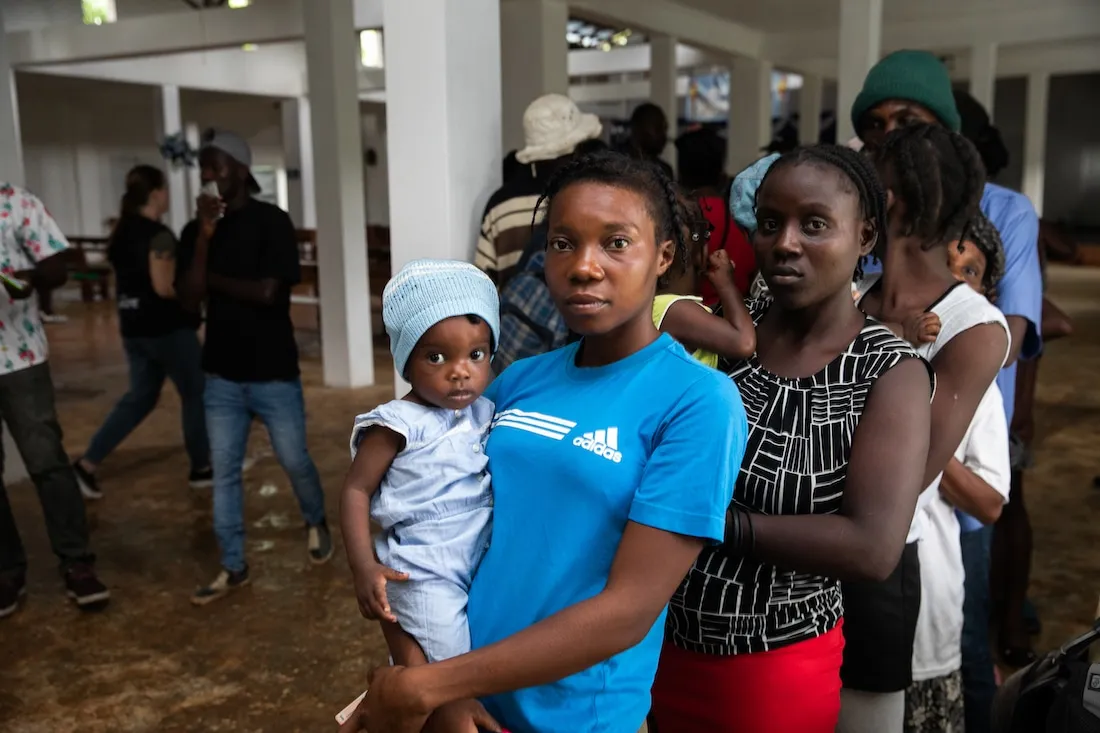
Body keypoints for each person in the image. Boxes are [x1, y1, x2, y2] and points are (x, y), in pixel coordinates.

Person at [339, 150, 746, 733]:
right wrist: (429, 682)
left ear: (663, 255)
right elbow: (411, 528)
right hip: (461, 697)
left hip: (575, 715)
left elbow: (627, 611)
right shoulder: (518, 381)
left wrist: (427, 686)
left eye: (616, 242)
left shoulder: (696, 401)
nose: (583, 266)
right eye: (562, 243)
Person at [650, 145, 933, 733]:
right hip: (657, 641)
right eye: (771, 222)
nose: (784, 242)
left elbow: (872, 547)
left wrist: (704, 521)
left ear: (864, 236)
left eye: (815, 224)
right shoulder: (733, 328)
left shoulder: (885, 371)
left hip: (772, 664)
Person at [850, 52, 1043, 733]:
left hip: (906, 577)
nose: (875, 144)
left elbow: (903, 476)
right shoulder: (849, 294)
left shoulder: (972, 325)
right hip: (825, 587)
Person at [179, 130, 332, 605]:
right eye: (203, 168)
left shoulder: (272, 222)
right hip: (221, 374)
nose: (207, 176)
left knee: (293, 458)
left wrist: (212, 283)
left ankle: (315, 519)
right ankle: (233, 564)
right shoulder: (195, 231)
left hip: (272, 371)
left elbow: (269, 294)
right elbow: (187, 300)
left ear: (241, 171)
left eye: (216, 166)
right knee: (224, 471)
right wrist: (205, 240)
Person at [342, 260, 498, 670]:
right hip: (424, 573)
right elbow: (356, 490)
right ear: (407, 362)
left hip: (479, 560)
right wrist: (363, 566)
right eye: (436, 357)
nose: (460, 372)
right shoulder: (396, 424)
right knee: (449, 673)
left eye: (476, 354)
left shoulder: (484, 412)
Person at [903, 214, 1012, 733]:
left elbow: (990, 502)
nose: (953, 284)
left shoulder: (978, 385)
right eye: (945, 266)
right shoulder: (881, 346)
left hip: (930, 589)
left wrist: (921, 430)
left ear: (986, 290)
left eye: (969, 273)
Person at [0, 182, 110, 617]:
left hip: (20, 357)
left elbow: (57, 267)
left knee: (45, 461)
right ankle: (7, 571)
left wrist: (27, 278)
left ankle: (77, 563)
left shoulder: (14, 203)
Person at [71, 165, 209, 499]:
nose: (168, 196)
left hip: (134, 327)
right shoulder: (157, 235)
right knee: (196, 394)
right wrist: (192, 296)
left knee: (140, 398)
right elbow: (163, 287)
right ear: (155, 193)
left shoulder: (121, 232)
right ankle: (202, 469)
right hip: (167, 330)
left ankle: (87, 465)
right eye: (165, 189)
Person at [475, 94, 602, 288]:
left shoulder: (499, 206)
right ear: (574, 147)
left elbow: (482, 286)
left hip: (512, 317)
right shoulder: (587, 199)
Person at [653, 196, 755, 367]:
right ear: (701, 254)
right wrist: (727, 286)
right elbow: (743, 343)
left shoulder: (657, 305)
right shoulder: (675, 309)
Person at [674, 126, 757, 301]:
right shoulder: (744, 218)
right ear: (721, 174)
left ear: (680, 174)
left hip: (683, 317)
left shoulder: (673, 218)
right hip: (735, 314)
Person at [618, 102, 674, 180]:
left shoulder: (664, 171)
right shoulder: (614, 163)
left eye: (665, 129)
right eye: (658, 129)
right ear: (638, 128)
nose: (663, 135)